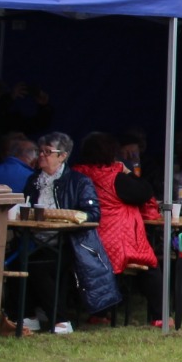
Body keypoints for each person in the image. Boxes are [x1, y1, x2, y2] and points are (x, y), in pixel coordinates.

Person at [20, 132, 121, 329]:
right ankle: (28, 315)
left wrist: (71, 217)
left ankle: (60, 320)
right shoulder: (33, 181)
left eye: (48, 152)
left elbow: (93, 213)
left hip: (69, 243)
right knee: (16, 258)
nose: (41, 155)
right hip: (34, 239)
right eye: (40, 151)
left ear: (63, 156)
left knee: (37, 266)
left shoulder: (79, 181)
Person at [74, 131, 166, 325]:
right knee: (149, 266)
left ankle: (99, 313)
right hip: (114, 238)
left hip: (85, 239)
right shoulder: (116, 177)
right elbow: (144, 191)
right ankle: (160, 316)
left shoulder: (77, 174)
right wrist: (127, 172)